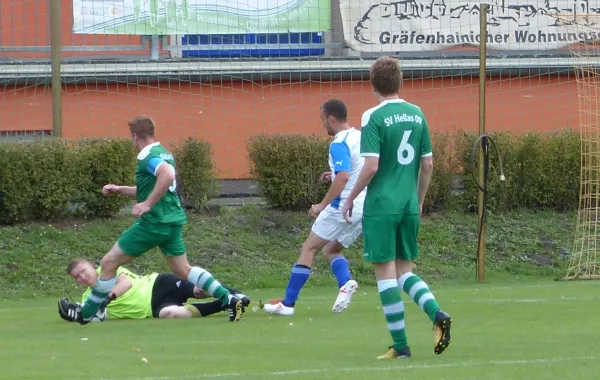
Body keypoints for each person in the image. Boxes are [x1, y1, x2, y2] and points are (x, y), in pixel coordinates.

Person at [61, 116, 244, 325]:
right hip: (172, 220)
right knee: (183, 270)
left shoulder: (146, 155)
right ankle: (229, 299)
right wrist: (120, 190)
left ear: (134, 136)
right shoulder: (163, 152)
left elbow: (167, 175)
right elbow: (157, 184)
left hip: (155, 222)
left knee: (108, 262)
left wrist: (147, 204)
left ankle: (88, 313)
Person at [341, 56, 452, 360]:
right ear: (400, 82)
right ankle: (437, 314)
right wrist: (418, 200)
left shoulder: (373, 117)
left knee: (386, 275)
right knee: (405, 272)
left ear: (373, 84)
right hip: (407, 205)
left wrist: (351, 196)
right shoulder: (417, 114)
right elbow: (428, 164)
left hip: (381, 205)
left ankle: (400, 345)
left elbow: (372, 166)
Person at [262, 99, 364, 316]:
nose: (322, 125)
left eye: (322, 120)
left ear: (332, 118)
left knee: (309, 248)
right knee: (331, 249)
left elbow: (345, 176)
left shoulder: (338, 143)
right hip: (364, 207)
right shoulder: (361, 136)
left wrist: (321, 205)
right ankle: (345, 282)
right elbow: (359, 168)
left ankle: (287, 304)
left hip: (342, 207)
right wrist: (333, 175)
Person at [58, 259, 251, 322]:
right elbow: (93, 316)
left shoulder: (107, 271)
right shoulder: (89, 298)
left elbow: (125, 284)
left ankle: (235, 294)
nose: (82, 277)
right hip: (153, 309)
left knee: (199, 290)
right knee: (172, 314)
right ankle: (225, 304)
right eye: (77, 277)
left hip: (157, 284)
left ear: (92, 266)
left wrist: (108, 298)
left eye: (83, 271)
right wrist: (75, 314)